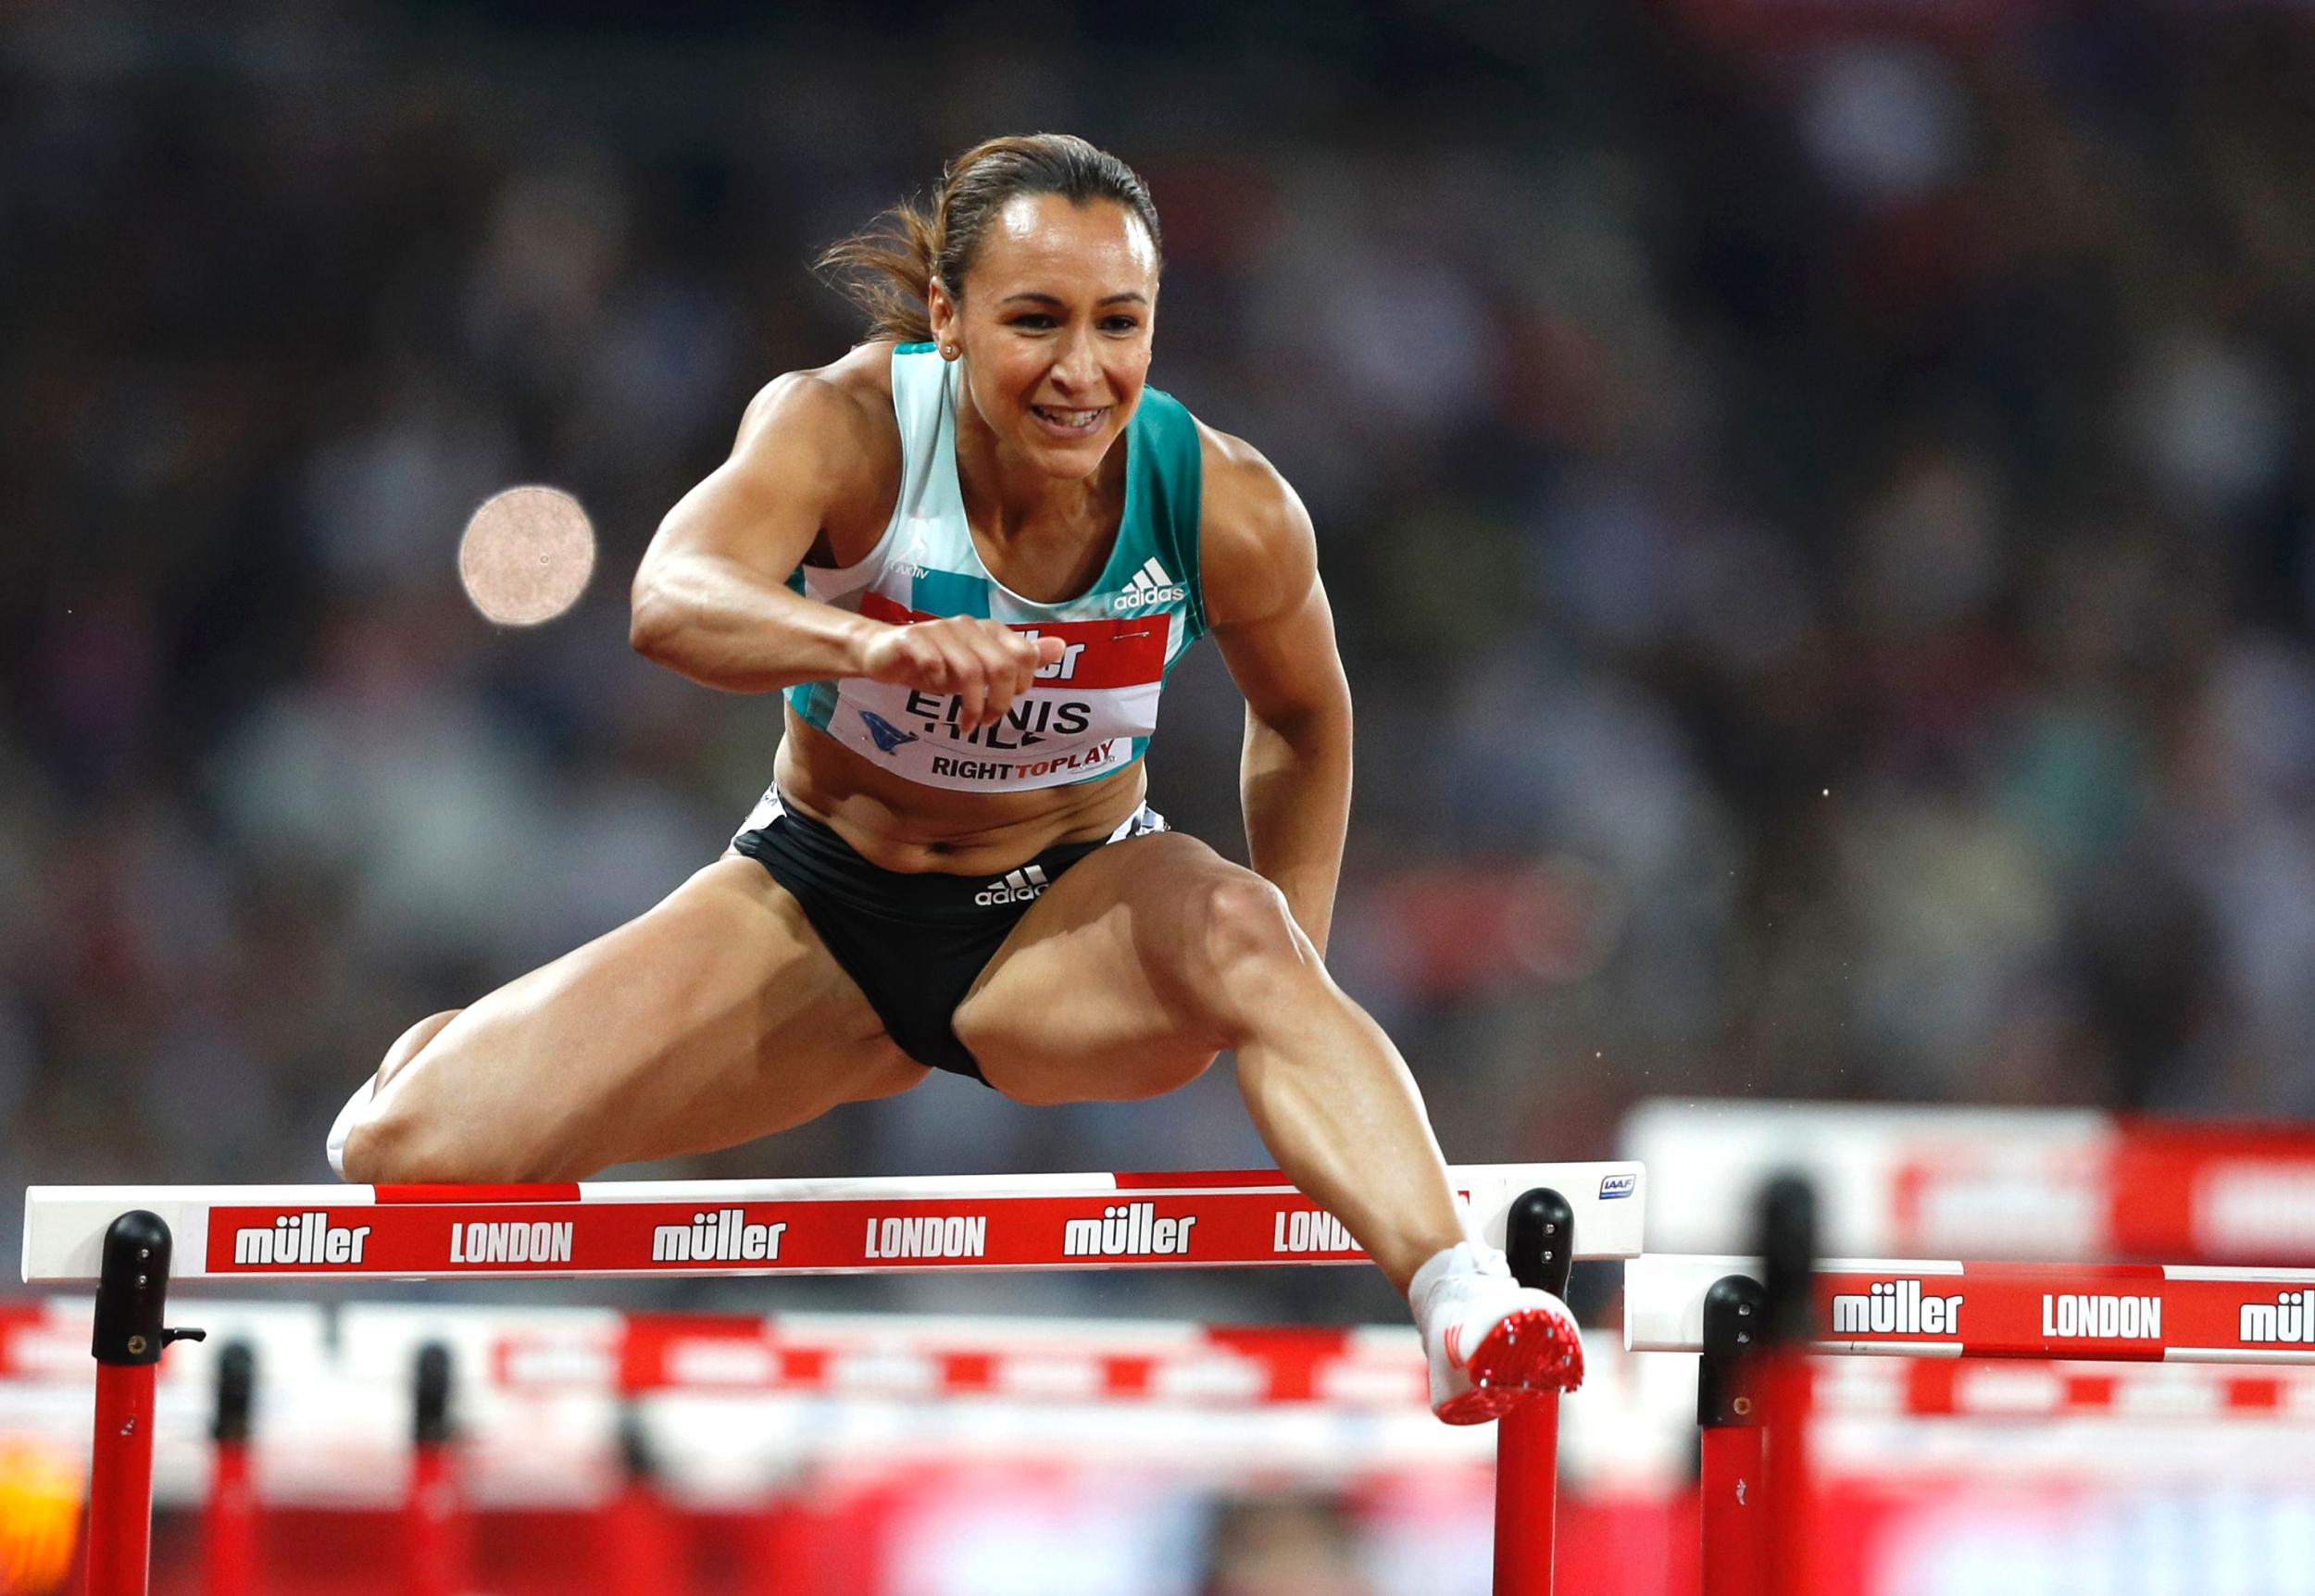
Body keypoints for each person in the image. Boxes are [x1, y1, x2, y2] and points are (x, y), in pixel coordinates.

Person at [331, 132, 1580, 1423]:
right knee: (403, 1152)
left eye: (1120, 325)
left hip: (1068, 920)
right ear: (948, 316)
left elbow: (1309, 714)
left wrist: (1287, 986)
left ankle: (1460, 1301)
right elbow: (669, 598)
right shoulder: (849, 426)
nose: (1080, 372)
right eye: (1034, 322)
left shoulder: (1223, 500)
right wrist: (873, 642)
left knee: (1240, 933)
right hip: (817, 916)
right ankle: (470, 1051)